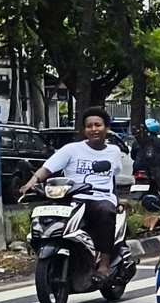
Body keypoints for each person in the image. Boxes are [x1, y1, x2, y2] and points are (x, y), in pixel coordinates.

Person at [22, 107, 132, 280]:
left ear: (106, 128)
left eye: (98, 125)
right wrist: (30, 183)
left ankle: (103, 265)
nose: (94, 129)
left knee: (104, 213)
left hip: (100, 198)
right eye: (89, 126)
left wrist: (115, 198)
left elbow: (112, 176)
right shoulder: (71, 149)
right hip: (72, 198)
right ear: (84, 130)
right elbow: (47, 168)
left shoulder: (113, 151)